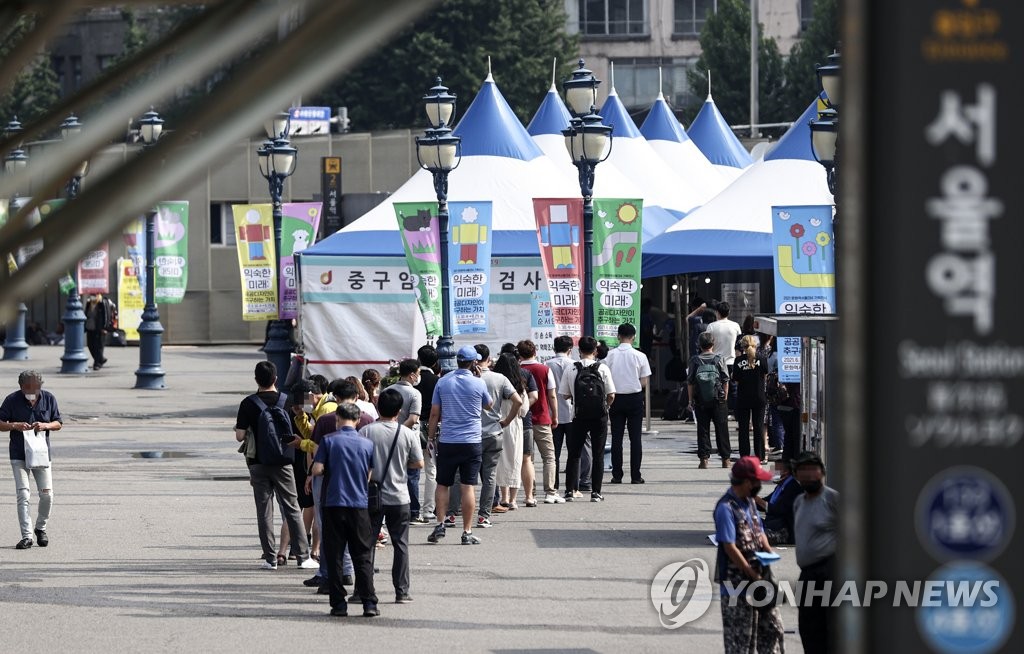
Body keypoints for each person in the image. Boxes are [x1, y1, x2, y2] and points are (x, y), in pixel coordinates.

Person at [233, 361, 317, 570]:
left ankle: (270, 558)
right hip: (284, 462)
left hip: (257, 463)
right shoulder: (288, 401)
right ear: (276, 379)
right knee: (292, 508)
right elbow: (308, 420)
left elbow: (239, 436)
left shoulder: (248, 403)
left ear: (256, 380)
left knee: (264, 511)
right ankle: (303, 556)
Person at [309, 402, 379, 617]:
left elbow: (318, 469)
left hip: (333, 503)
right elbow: (369, 474)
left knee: (334, 555)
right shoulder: (367, 444)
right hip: (359, 504)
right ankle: (369, 602)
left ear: (338, 419)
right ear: (358, 421)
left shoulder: (329, 441)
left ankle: (339, 604)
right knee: (362, 555)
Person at [304, 379, 374, 593]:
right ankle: (354, 579)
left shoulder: (326, 421)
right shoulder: (369, 420)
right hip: (359, 485)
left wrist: (311, 473)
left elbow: (316, 457)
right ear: (356, 397)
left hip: (330, 484)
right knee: (358, 537)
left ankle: (328, 577)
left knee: (330, 532)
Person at [713, 456, 784, 654]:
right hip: (736, 584)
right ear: (745, 482)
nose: (759, 485)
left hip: (760, 577)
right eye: (756, 481)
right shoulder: (725, 508)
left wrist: (767, 549)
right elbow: (729, 547)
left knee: (772, 630)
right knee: (740, 641)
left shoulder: (750, 502)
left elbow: (759, 530)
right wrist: (751, 574)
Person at [360, 389, 424, 604]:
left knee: (366, 545)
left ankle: (363, 590)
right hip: (399, 496)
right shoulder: (405, 433)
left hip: (371, 496)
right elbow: (418, 463)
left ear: (378, 407)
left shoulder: (366, 432)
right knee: (401, 545)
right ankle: (402, 591)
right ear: (399, 411)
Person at [448, 345, 521, 528]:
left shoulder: (460, 379)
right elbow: (518, 401)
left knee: (460, 475)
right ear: (487, 359)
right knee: (489, 476)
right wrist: (506, 421)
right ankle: (483, 516)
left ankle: (452, 513)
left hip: (467, 434)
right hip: (493, 432)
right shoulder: (499, 378)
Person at [426, 346, 492, 545]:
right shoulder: (478, 383)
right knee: (468, 487)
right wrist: (478, 378)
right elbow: (489, 405)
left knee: (443, 483)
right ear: (473, 363)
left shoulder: (443, 382)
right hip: (471, 441)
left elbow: (435, 413)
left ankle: (440, 524)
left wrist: (430, 437)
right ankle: (467, 531)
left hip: (448, 439)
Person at [0, 370, 62, 549]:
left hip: (41, 454)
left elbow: (58, 423)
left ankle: (40, 528)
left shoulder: (49, 398)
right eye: (28, 389)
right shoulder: (12, 400)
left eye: (36, 389)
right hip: (19, 454)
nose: (33, 393)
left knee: (47, 495)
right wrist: (15, 425)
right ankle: (26, 536)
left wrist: (45, 425)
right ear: (21, 387)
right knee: (23, 494)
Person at [557, 336, 616, 502]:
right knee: (598, 454)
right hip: (599, 416)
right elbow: (611, 394)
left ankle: (570, 490)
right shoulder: (602, 368)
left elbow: (565, 394)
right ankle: (596, 492)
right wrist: (605, 406)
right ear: (595, 351)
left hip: (578, 416)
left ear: (578, 350)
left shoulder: (571, 368)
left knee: (574, 454)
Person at [792, 451, 839, 654]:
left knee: (830, 629)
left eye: (813, 470)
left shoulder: (832, 499)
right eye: (803, 471)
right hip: (807, 574)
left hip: (830, 571)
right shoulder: (799, 502)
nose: (809, 476)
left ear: (822, 473)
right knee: (808, 628)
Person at [603, 323, 651, 484]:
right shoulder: (640, 356)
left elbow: (604, 379)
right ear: (634, 337)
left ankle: (617, 475)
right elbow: (644, 381)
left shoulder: (609, 356)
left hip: (615, 397)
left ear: (618, 336)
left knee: (616, 437)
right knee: (635, 438)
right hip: (634, 397)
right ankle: (636, 476)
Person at [517, 340, 562, 505]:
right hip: (542, 417)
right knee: (549, 456)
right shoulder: (544, 369)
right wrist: (555, 415)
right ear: (535, 351)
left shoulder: (518, 370)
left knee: (528, 458)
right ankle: (550, 491)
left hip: (523, 418)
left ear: (519, 354)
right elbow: (552, 395)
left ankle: (531, 492)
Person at [688, 331, 732, 469]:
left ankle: (704, 459)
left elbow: (690, 382)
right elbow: (725, 379)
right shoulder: (719, 359)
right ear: (713, 344)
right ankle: (725, 459)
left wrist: (690, 400)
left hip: (701, 399)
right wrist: (725, 396)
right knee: (722, 429)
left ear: (699, 345)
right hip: (718, 399)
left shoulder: (695, 360)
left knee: (703, 429)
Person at [545, 336, 581, 492]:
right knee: (574, 453)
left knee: (554, 453)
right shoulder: (575, 365)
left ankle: (554, 485)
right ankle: (572, 488)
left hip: (553, 413)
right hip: (572, 413)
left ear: (554, 348)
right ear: (570, 350)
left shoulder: (546, 365)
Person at [390, 359, 424, 522]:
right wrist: (399, 432)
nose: (419, 377)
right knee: (412, 475)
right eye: (418, 373)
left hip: (388, 436)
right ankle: (414, 511)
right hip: (408, 438)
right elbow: (413, 418)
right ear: (412, 375)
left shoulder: (387, 390)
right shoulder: (414, 394)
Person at [493, 352, 528, 510]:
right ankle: (513, 499)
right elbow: (524, 409)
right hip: (514, 425)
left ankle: (504, 497)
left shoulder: (496, 383)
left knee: (500, 461)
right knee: (515, 460)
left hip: (497, 424)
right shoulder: (519, 385)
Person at [414, 345, 440, 523]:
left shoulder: (412, 379)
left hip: (412, 427)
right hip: (431, 426)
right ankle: (428, 509)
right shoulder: (436, 381)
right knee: (431, 469)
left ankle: (412, 509)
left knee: (411, 470)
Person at [732, 335, 769, 462]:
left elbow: (735, 380)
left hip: (743, 397)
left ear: (742, 346)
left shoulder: (738, 361)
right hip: (759, 396)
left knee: (743, 428)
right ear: (755, 345)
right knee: (758, 427)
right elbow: (765, 376)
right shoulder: (762, 359)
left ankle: (745, 456)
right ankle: (760, 456)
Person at [754, 458, 802, 545]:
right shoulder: (781, 485)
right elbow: (766, 502)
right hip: (773, 524)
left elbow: (778, 510)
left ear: (786, 472)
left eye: (775, 470)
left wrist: (757, 499)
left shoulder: (792, 487)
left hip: (783, 530)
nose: (772, 472)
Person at [704, 301, 742, 375]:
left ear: (717, 312)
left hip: (715, 362)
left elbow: (706, 344)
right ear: (729, 312)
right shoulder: (736, 326)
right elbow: (739, 345)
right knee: (731, 385)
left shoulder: (711, 326)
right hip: (732, 362)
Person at [84, 293, 111, 370]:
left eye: (94, 295)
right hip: (90, 327)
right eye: (91, 294)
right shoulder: (89, 303)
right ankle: (101, 359)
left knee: (98, 346)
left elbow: (107, 315)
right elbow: (86, 313)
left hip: (99, 328)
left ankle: (97, 363)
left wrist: (105, 328)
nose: (92, 296)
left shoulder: (103, 302)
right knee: (90, 345)